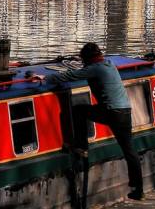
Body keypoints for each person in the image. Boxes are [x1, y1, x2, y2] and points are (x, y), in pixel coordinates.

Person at [44, 42, 143, 200]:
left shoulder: (95, 68)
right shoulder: (109, 64)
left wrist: (45, 78)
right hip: (125, 111)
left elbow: (71, 76)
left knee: (79, 111)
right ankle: (139, 189)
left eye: (84, 60)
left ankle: (82, 146)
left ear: (88, 59)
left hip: (111, 111)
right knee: (129, 151)